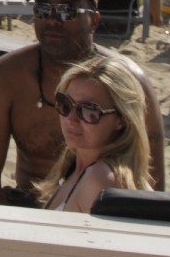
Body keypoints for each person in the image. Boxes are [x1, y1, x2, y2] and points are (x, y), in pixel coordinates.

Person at [0, 0, 164, 208]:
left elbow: (153, 186)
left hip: (101, 210)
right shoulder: (6, 76)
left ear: (94, 20)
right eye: (42, 10)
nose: (53, 20)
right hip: (28, 205)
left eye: (67, 11)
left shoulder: (128, 84)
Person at [39, 56, 153, 213]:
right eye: (65, 103)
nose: (71, 119)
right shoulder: (74, 165)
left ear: (121, 120)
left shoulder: (100, 179)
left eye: (89, 110)